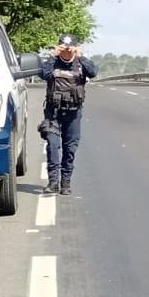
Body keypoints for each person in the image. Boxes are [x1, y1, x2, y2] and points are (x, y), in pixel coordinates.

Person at [39, 34, 97, 195]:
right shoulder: (53, 63)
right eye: (63, 48)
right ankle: (53, 182)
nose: (66, 51)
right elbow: (43, 74)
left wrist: (81, 56)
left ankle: (65, 183)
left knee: (70, 148)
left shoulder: (80, 64)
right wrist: (52, 56)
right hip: (53, 113)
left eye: (69, 48)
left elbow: (93, 72)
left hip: (73, 113)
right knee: (52, 145)